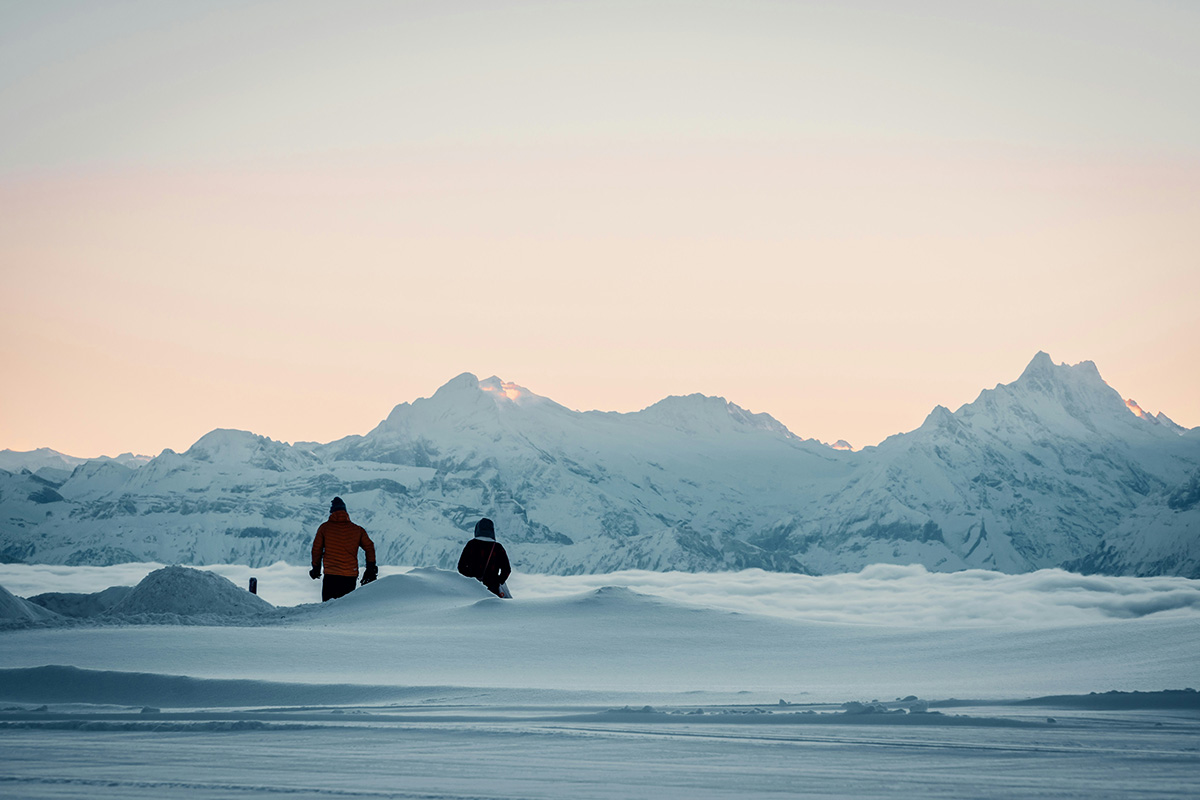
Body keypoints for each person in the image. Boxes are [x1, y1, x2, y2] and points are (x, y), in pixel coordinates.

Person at [310, 496, 377, 602]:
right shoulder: (357, 530)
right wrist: (371, 568)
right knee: (345, 608)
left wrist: (316, 568)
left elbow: (316, 549)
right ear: (346, 513)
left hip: (331, 575)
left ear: (332, 512)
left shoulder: (325, 528)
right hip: (350, 575)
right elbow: (369, 547)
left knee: (328, 607)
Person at [457, 517, 511, 597]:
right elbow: (506, 569)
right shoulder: (497, 547)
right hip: (492, 589)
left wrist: (471, 579)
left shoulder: (471, 545)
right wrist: (497, 581)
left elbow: (461, 567)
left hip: (472, 588)